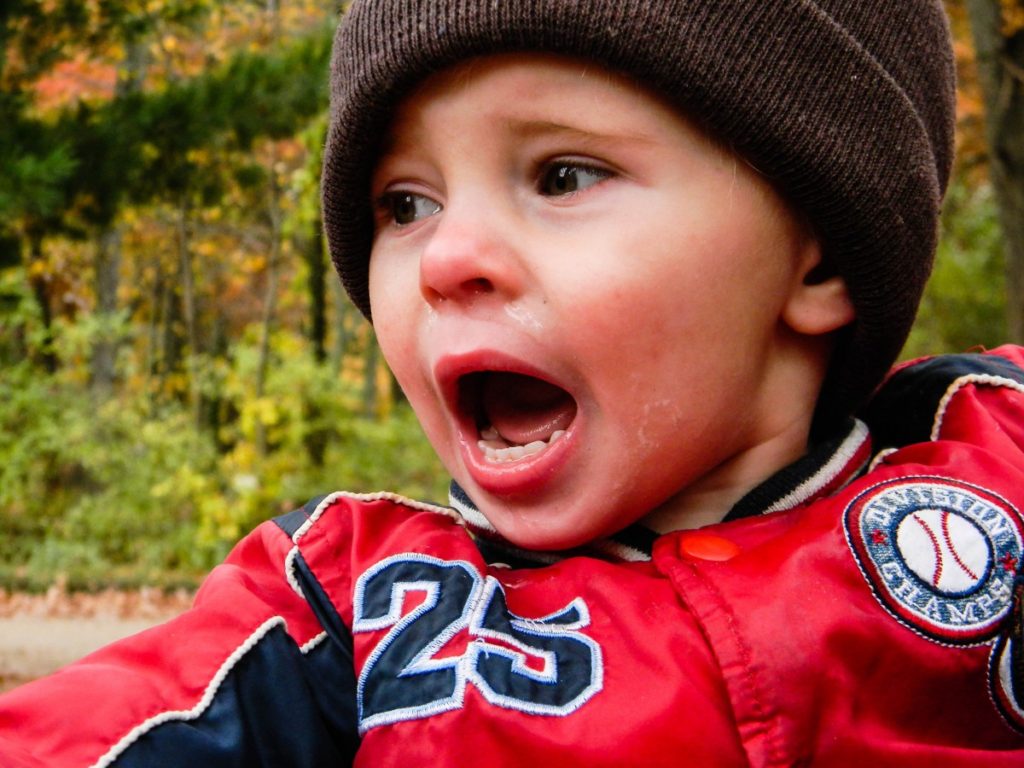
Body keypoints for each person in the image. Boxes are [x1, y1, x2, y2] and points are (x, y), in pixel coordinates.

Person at [3, 0, 1024, 765]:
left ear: (818, 261)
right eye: (404, 204)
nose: (447, 258)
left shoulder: (994, 448)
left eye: (562, 176)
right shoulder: (346, 613)